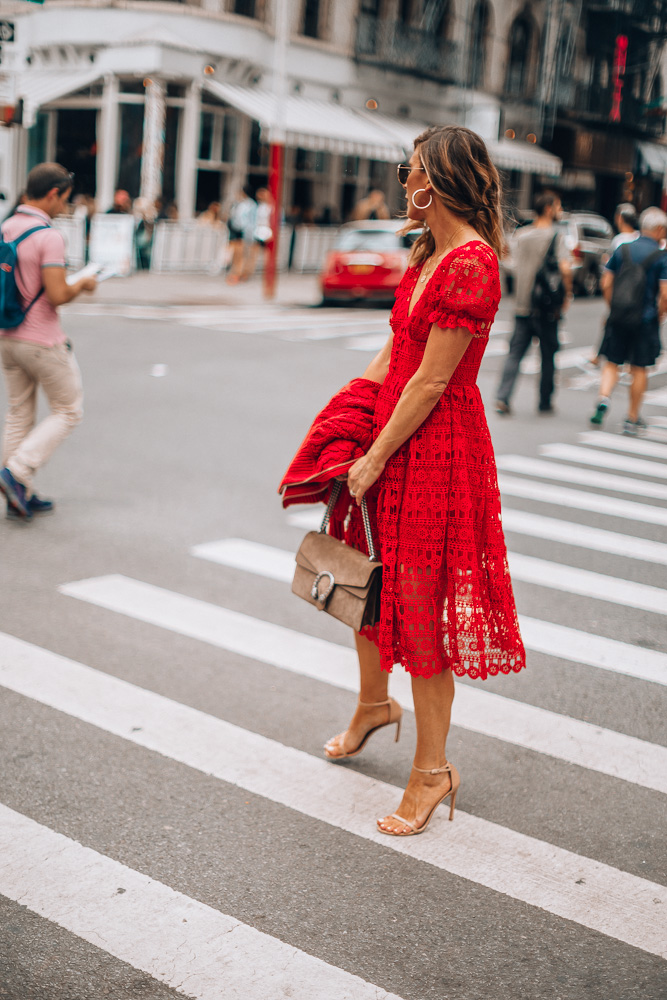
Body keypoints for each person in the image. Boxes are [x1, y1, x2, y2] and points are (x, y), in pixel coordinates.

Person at [302, 127, 526, 836]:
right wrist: (339, 421)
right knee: (366, 583)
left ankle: (431, 771)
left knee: (418, 610)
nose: (404, 183)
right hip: (390, 431)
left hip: (433, 451)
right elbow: (395, 350)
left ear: (443, 181)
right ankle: (374, 705)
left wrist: (373, 459)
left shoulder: (470, 263)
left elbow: (432, 380)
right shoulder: (425, 250)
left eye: (414, 172)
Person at [0, 162, 97, 520]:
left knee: (19, 412)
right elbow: (56, 294)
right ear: (53, 193)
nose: (65, 207)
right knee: (69, 409)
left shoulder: (8, 225)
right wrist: (83, 284)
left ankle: (16, 491)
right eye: (65, 200)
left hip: (8, 334)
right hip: (41, 339)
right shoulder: (49, 235)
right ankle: (17, 472)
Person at [590, 206, 667, 436]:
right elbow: (664, 294)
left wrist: (612, 307)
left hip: (618, 316)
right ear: (660, 229)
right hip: (645, 320)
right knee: (639, 367)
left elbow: (605, 283)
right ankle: (632, 418)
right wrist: (660, 314)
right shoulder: (661, 257)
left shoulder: (623, 249)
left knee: (612, 361)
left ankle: (603, 398)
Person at [494, 193, 573, 415]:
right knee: (548, 355)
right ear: (548, 209)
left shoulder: (521, 235)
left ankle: (502, 397)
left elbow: (511, 266)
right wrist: (566, 295)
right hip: (547, 307)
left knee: (515, 353)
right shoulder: (556, 237)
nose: (560, 210)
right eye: (558, 206)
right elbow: (565, 269)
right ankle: (545, 401)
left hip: (523, 305)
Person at [589, 203, 639, 366]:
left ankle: (603, 355)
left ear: (620, 219)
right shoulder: (639, 238)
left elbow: (609, 272)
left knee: (612, 322)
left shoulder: (618, 241)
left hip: (619, 289)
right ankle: (604, 354)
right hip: (635, 290)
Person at [225, 187, 256, 284]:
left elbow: (250, 221)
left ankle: (238, 273)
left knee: (242, 254)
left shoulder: (250, 204)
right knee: (236, 254)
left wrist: (250, 234)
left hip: (244, 232)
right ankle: (236, 272)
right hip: (236, 231)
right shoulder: (238, 203)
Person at [244, 187, 274, 280]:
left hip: (268, 231)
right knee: (253, 251)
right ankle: (248, 271)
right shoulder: (257, 206)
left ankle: (268, 271)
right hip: (257, 231)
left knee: (267, 252)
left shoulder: (272, 207)